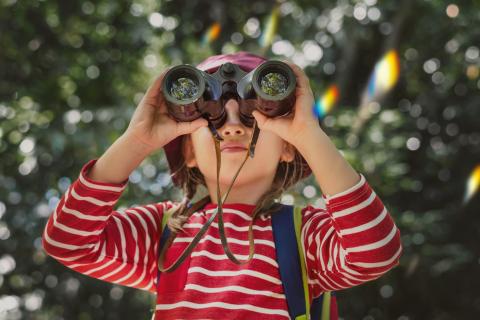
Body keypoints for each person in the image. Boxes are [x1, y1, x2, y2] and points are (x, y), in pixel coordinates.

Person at [41, 51, 403, 320]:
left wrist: (309, 134)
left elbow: (376, 252)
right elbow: (68, 241)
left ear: (288, 148)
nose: (233, 127)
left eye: (253, 116)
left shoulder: (304, 236)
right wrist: (136, 140)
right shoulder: (165, 232)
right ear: (188, 151)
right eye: (213, 116)